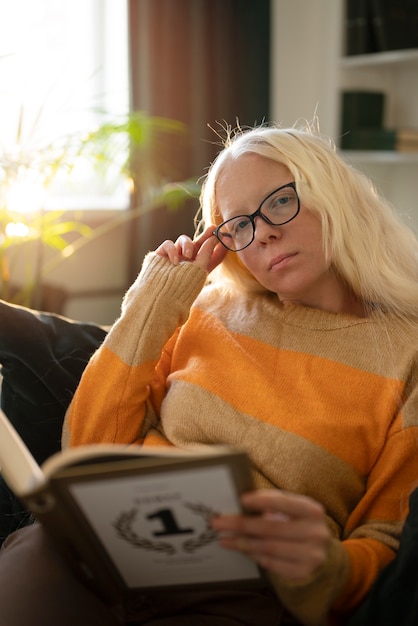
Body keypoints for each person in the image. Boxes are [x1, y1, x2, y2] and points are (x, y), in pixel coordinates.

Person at [1, 121, 418, 626]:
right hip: (99, 549)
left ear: (333, 196)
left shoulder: (405, 356)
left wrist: (327, 568)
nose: (263, 231)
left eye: (281, 201)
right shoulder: (204, 311)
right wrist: (152, 302)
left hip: (236, 592)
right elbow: (86, 447)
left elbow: (385, 545)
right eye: (238, 224)